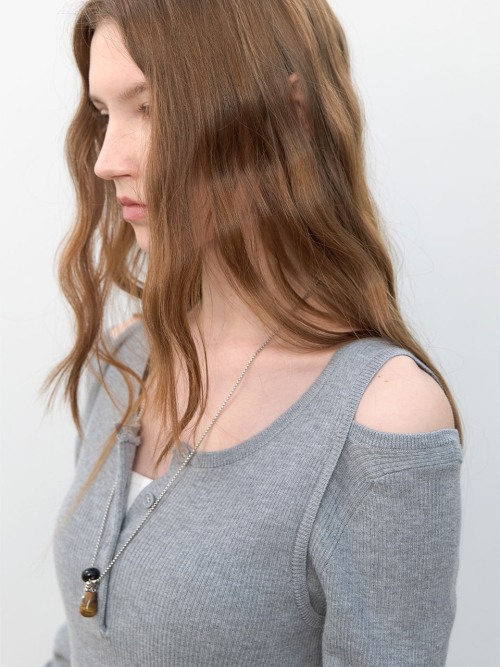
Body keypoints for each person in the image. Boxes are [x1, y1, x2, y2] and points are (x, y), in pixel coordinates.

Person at [42, 1, 464, 665]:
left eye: (150, 108)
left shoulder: (379, 418)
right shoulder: (125, 359)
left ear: (289, 117)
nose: (106, 159)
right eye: (103, 113)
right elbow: (79, 645)